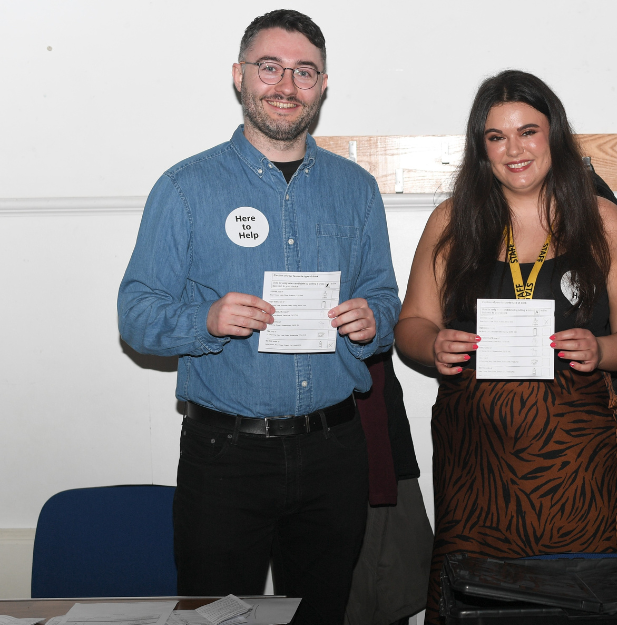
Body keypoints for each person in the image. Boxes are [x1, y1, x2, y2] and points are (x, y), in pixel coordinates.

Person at [117, 10, 400, 625]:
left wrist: (374, 319)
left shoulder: (357, 189)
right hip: (226, 458)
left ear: (323, 85)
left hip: (335, 451)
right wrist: (206, 319)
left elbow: (385, 295)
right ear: (239, 75)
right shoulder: (186, 187)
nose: (286, 85)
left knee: (321, 615)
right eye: (270, 67)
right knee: (216, 617)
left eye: (305, 71)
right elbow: (135, 314)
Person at [394, 70, 617, 623]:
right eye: (497, 136)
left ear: (553, 135)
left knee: (572, 599)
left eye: (528, 131)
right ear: (480, 147)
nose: (514, 149)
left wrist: (601, 350)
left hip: (574, 460)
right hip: (475, 460)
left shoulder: (602, 221)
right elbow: (410, 322)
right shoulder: (452, 221)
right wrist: (433, 344)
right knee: (476, 599)